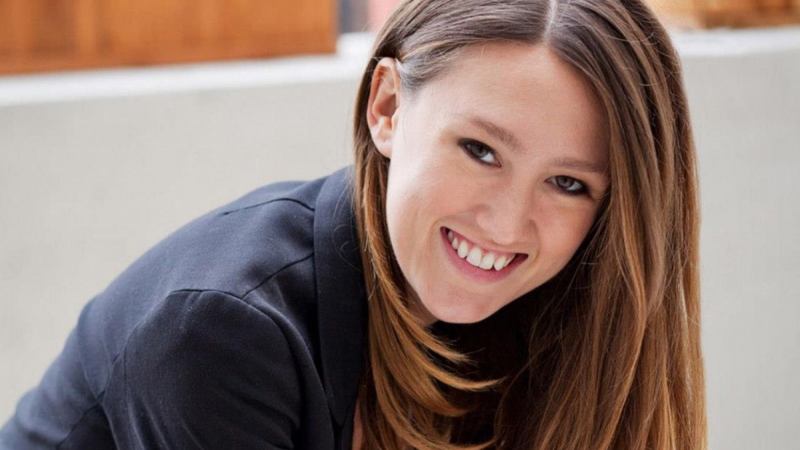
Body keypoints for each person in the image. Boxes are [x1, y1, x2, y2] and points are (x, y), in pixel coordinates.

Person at [0, 0, 707, 448]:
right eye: (480, 150)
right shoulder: (220, 331)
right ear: (387, 108)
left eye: (567, 183)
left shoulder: (550, 316)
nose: (506, 223)